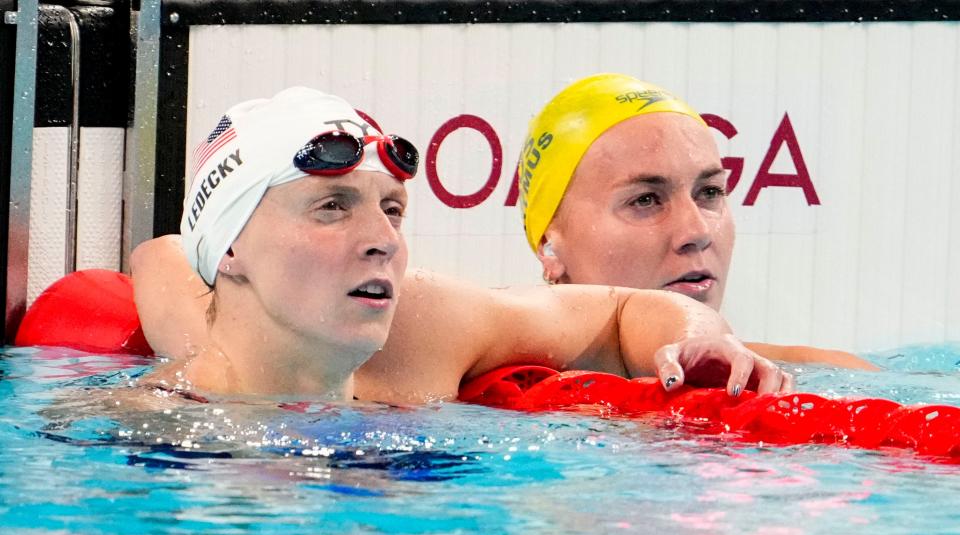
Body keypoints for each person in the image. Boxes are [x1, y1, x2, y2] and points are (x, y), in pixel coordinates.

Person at [133, 86, 792, 404]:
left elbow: (621, 310)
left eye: (393, 209)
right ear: (229, 249)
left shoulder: (423, 327)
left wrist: (703, 333)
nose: (384, 242)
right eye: (333, 208)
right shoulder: (141, 434)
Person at [517, 73, 876, 370]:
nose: (698, 232)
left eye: (709, 192)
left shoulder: (834, 373)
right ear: (550, 244)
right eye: (645, 200)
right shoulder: (487, 395)